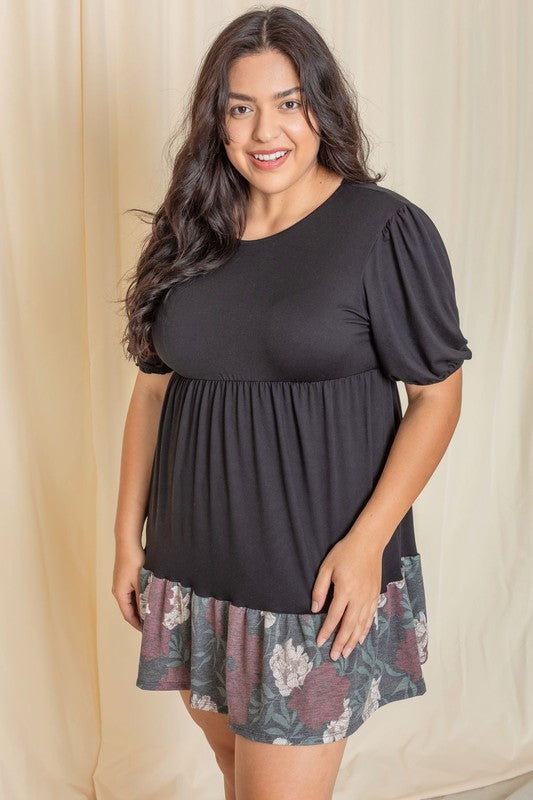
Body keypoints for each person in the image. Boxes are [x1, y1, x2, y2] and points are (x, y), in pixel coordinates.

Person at [112, 6, 472, 799]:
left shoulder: (383, 230)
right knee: (236, 773)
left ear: (322, 107)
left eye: (288, 102)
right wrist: (126, 540)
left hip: (308, 577)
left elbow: (437, 398)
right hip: (192, 570)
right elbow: (149, 392)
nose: (263, 129)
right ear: (217, 120)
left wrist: (365, 545)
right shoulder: (189, 230)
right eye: (240, 107)